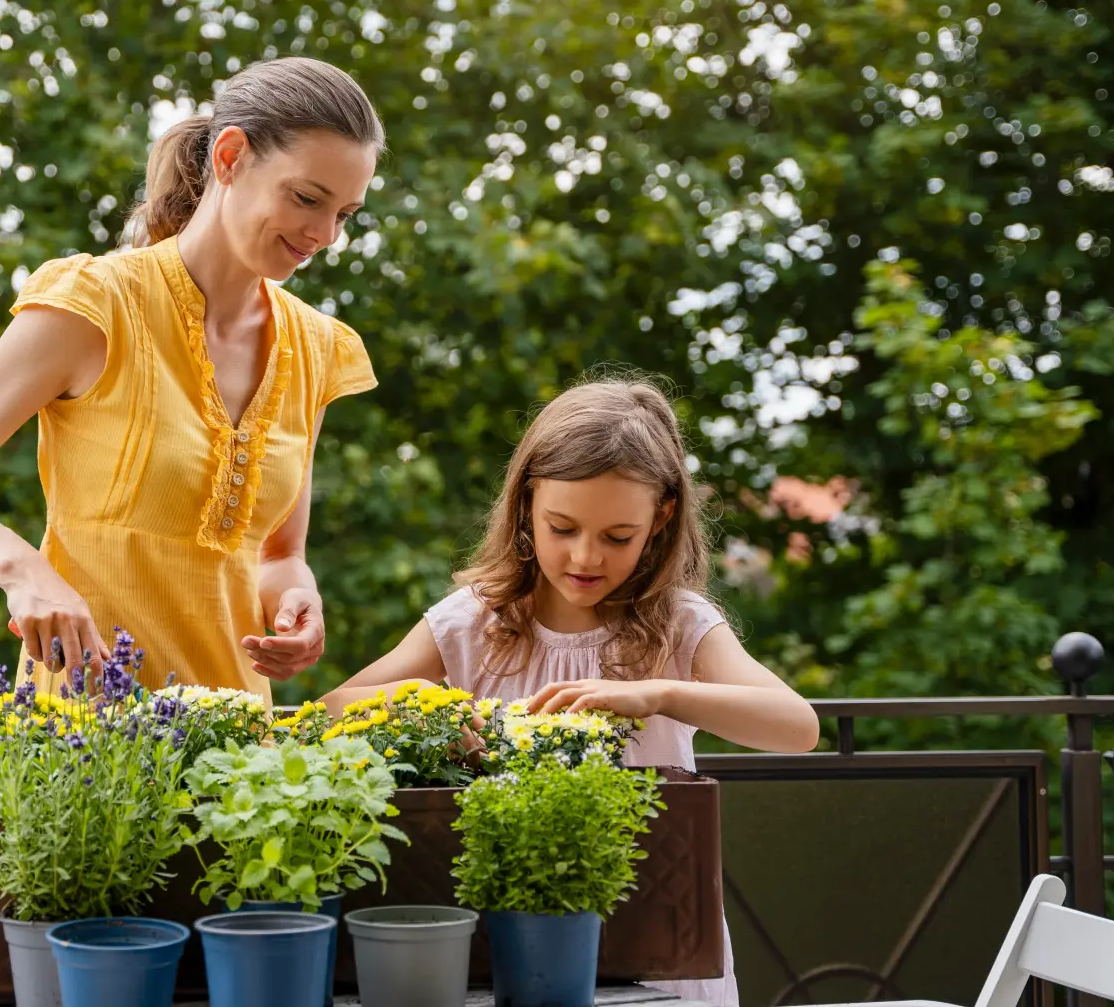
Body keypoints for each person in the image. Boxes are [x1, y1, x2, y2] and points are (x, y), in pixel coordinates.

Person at [0, 57, 384, 700]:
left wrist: (296, 599)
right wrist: (24, 572)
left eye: (345, 214)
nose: (324, 235)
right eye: (307, 199)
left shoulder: (314, 348)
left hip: (238, 739)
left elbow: (279, 553)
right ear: (230, 158)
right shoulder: (97, 304)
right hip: (88, 737)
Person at [321, 376, 821, 1007]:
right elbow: (334, 708)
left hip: (657, 939)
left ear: (662, 516)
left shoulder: (680, 623)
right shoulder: (474, 621)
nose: (586, 558)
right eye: (562, 528)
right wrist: (429, 714)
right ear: (526, 503)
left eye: (618, 537)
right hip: (513, 941)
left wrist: (660, 694)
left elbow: (798, 727)